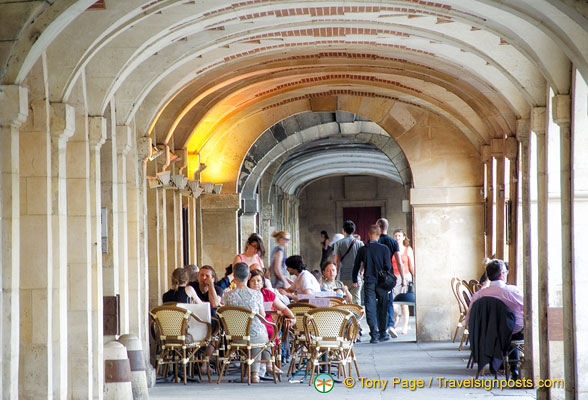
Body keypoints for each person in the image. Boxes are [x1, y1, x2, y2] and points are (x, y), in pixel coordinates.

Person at [465, 259, 524, 379]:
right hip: (512, 333)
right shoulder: (512, 291)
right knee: (512, 328)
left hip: (487, 336)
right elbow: (529, 309)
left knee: (504, 329)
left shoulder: (479, 295)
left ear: (488, 275)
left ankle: (501, 364)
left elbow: (469, 319)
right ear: (502, 275)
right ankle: (515, 369)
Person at [221, 262, 269, 383]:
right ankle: (255, 374)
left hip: (235, 336)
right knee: (259, 334)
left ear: (234, 277)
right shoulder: (257, 294)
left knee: (253, 335)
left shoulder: (227, 295)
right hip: (255, 335)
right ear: (248, 277)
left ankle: (249, 371)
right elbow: (262, 315)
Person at [353, 225, 392, 344]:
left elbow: (357, 265)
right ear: (379, 234)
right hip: (382, 282)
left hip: (369, 281)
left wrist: (354, 278)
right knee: (383, 306)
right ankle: (383, 332)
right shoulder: (384, 249)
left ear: (369, 234)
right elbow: (388, 266)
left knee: (370, 308)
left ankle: (374, 334)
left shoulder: (363, 249)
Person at [248, 269, 296, 343]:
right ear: (249, 283)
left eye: (258, 281)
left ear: (263, 283)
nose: (256, 283)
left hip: (267, 323)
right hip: (250, 324)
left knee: (270, 330)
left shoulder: (268, 294)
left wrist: (293, 318)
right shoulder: (246, 295)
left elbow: (283, 308)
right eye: (252, 281)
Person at [376, 218, 405, 338]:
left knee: (378, 302)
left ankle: (381, 327)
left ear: (378, 226)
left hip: (377, 275)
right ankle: (390, 325)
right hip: (389, 275)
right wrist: (403, 278)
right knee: (389, 300)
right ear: (387, 227)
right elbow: (399, 262)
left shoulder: (375, 241)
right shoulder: (393, 242)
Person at [332, 220, 364, 305]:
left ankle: (345, 317)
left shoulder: (338, 243)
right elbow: (364, 260)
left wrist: (335, 276)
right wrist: (361, 271)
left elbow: (337, 262)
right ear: (354, 230)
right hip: (356, 277)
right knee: (355, 300)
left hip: (342, 276)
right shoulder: (360, 244)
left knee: (343, 301)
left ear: (343, 230)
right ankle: (356, 317)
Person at [392, 229, 415, 335]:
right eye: (396, 235)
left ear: (403, 237)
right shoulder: (391, 249)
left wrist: (414, 278)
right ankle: (396, 319)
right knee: (393, 305)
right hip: (394, 278)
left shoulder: (407, 249)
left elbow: (411, 265)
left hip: (405, 277)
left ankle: (405, 327)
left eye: (399, 235)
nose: (397, 237)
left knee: (404, 305)